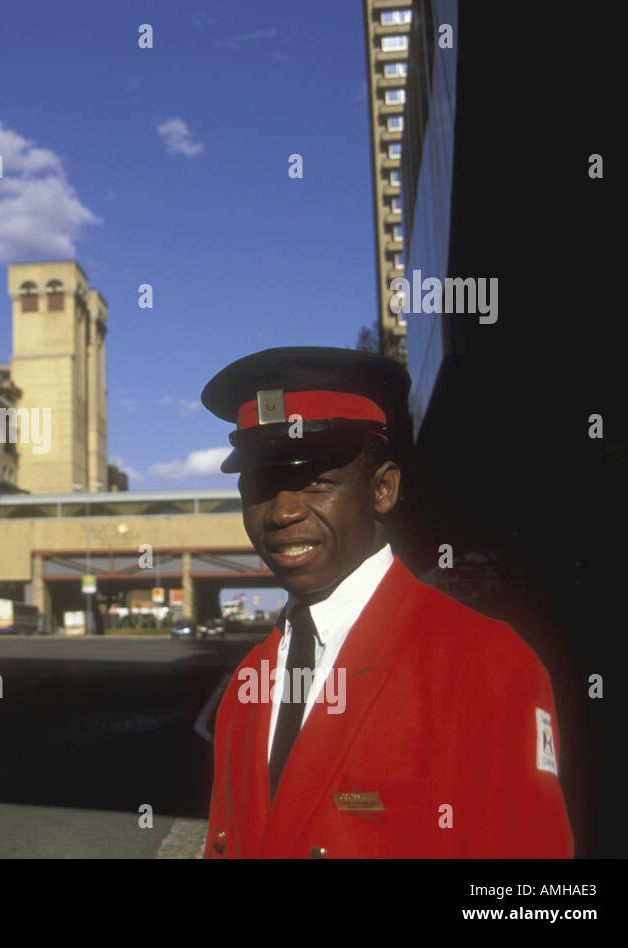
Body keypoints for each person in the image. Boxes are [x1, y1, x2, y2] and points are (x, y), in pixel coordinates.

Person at [199, 347, 572, 858]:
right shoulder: (248, 684)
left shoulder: (487, 667)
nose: (282, 512)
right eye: (263, 486)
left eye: (315, 482)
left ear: (383, 489)